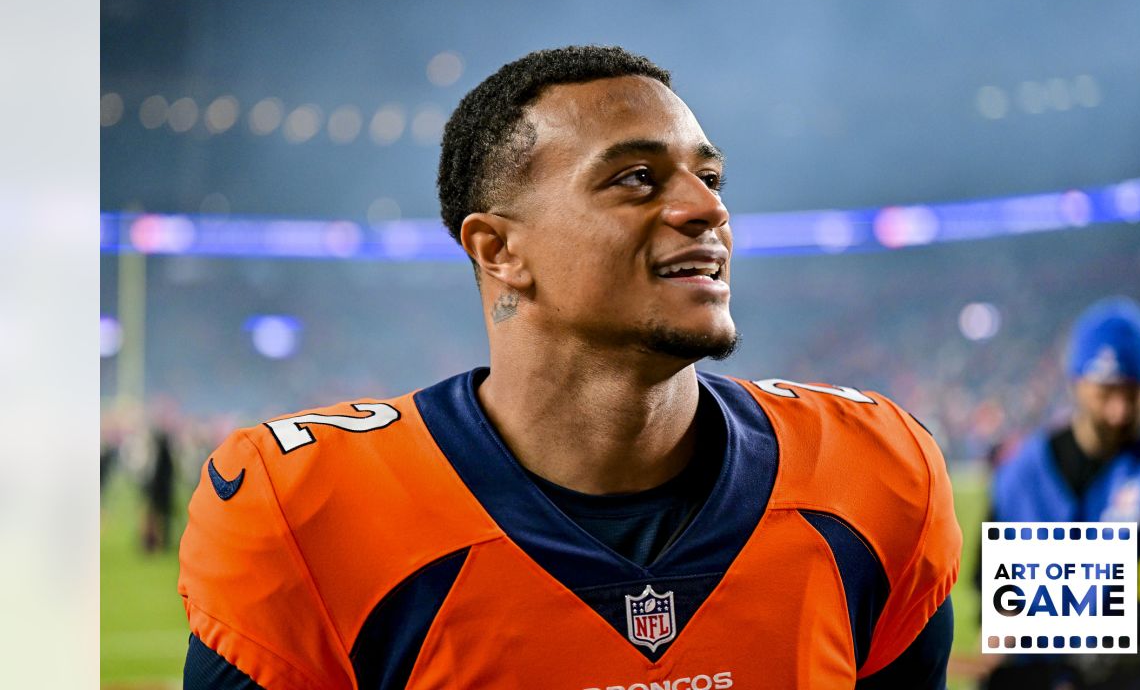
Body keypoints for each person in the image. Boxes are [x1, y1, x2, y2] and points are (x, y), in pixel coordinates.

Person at [179, 45, 961, 689]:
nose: (707, 208)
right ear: (499, 250)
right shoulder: (305, 509)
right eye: (636, 179)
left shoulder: (874, 469)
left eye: (710, 177)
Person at [982, 297, 1140, 690]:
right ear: (1076, 383)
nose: (1119, 411)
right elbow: (995, 594)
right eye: (1106, 392)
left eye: (1133, 393)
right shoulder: (1020, 476)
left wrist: (1093, 658)